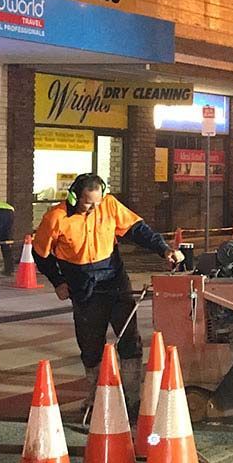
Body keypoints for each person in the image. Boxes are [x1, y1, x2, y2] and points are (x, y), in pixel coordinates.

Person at [32, 173, 183, 411]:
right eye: (88, 203)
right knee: (90, 344)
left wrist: (164, 249)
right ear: (73, 197)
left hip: (114, 278)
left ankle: (132, 398)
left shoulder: (109, 205)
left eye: (97, 202)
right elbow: (40, 254)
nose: (94, 208)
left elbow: (137, 230)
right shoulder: (56, 218)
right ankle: (96, 398)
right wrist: (58, 281)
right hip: (82, 285)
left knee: (129, 338)